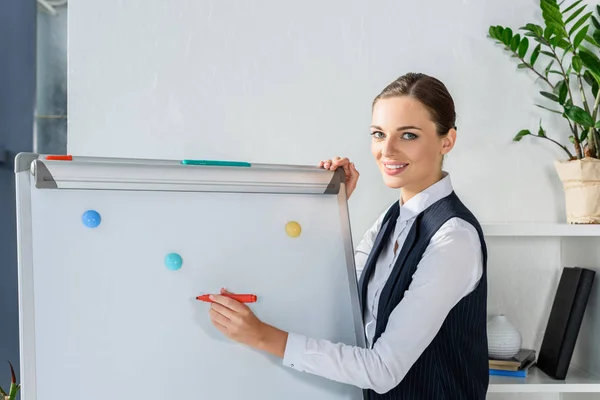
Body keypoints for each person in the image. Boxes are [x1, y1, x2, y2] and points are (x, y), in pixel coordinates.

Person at [207, 72, 489, 399]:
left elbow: (382, 370)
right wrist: (332, 205)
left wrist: (261, 336)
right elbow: (341, 297)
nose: (388, 150)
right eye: (379, 134)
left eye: (408, 135)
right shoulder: (393, 218)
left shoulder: (452, 238)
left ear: (447, 141)